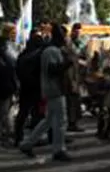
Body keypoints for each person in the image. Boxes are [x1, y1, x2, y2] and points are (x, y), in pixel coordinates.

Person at [19, 24, 72, 162]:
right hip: (54, 89)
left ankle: (27, 144)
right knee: (60, 120)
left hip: (51, 89)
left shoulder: (50, 50)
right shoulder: (51, 51)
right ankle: (59, 149)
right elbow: (52, 70)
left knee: (48, 120)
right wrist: (67, 64)